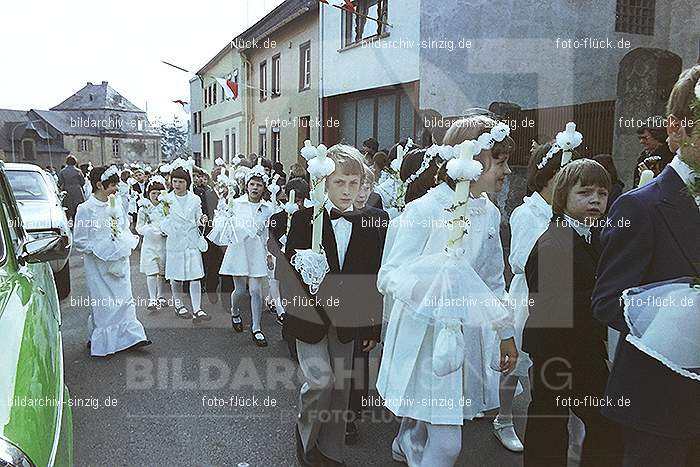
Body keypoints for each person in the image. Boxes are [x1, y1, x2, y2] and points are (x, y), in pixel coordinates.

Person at [376, 116, 518, 467]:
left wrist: (505, 332)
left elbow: (492, 279)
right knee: (449, 443)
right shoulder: (423, 209)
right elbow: (389, 274)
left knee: (441, 420)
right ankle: (411, 439)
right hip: (425, 338)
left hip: (463, 336)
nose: (508, 171)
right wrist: (431, 282)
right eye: (500, 162)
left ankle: (407, 440)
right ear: (472, 160)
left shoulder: (487, 213)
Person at [592, 65, 700, 467]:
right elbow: (606, 301)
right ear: (676, 128)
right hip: (661, 401)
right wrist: (682, 311)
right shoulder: (641, 205)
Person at [281, 144, 384, 467]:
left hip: (348, 320)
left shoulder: (372, 223)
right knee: (321, 381)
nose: (347, 191)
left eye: (354, 183)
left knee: (340, 388)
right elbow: (286, 276)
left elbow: (371, 278)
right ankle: (306, 438)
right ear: (323, 183)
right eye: (339, 183)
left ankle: (329, 451)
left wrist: (371, 326)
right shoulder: (303, 219)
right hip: (309, 319)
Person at [522, 159, 623, 466]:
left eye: (602, 193)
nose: (595, 199)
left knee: (605, 422)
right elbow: (552, 309)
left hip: (583, 348)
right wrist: (608, 300)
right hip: (555, 353)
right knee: (549, 428)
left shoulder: (593, 235)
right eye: (585, 192)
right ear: (563, 196)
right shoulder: (555, 241)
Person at [73, 165, 151, 356]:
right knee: (105, 304)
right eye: (113, 185)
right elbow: (79, 240)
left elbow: (124, 227)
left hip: (119, 260)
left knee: (125, 299)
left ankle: (132, 337)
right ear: (99, 185)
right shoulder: (86, 209)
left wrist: (120, 242)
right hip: (98, 266)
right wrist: (99, 247)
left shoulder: (115, 204)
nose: (116, 188)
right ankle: (104, 342)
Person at [212, 162, 276, 346]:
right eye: (252, 184)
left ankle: (256, 328)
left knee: (256, 290)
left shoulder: (267, 208)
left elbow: (266, 234)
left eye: (259, 185)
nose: (255, 188)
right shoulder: (236, 203)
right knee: (240, 290)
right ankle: (234, 311)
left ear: (264, 188)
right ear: (246, 185)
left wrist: (269, 254)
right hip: (240, 250)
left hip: (257, 250)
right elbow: (225, 225)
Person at [161, 167, 210, 323]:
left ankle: (197, 308)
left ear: (187, 183)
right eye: (174, 181)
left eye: (181, 182)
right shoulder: (166, 199)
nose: (177, 184)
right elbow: (163, 219)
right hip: (175, 241)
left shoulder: (195, 199)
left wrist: (202, 219)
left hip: (191, 240)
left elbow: (198, 217)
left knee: (195, 276)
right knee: (176, 277)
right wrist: (166, 228)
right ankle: (178, 304)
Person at [136, 176, 169, 311]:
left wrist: (166, 231)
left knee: (161, 271)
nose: (155, 196)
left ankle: (161, 295)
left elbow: (170, 221)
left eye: (158, 193)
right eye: (153, 193)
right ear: (148, 194)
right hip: (150, 243)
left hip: (163, 243)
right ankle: (152, 299)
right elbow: (139, 226)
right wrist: (148, 230)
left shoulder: (166, 207)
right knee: (151, 271)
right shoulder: (144, 208)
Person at [57, 155, 86, 223]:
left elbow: (60, 182)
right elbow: (83, 182)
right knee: (77, 209)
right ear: (75, 162)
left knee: (67, 209)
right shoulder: (78, 171)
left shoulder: (62, 171)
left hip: (67, 191)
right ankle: (77, 222)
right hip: (77, 191)